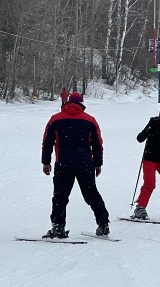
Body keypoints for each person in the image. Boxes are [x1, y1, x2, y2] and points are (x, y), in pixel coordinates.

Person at [41, 92, 110, 239]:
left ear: (68, 102)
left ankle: (58, 227)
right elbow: (97, 144)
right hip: (85, 163)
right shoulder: (90, 120)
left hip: (63, 163)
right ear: (81, 103)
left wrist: (46, 162)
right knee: (92, 194)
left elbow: (47, 142)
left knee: (60, 196)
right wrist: (98, 164)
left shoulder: (55, 119)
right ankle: (103, 224)